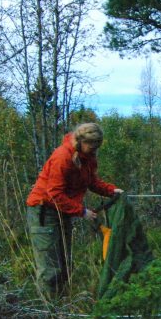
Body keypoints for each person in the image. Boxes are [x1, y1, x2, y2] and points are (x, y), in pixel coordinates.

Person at [26, 123, 122, 294]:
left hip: (63, 212)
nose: (94, 150)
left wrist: (111, 191)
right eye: (92, 146)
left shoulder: (88, 158)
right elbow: (54, 193)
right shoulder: (62, 157)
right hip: (44, 211)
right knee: (50, 270)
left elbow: (91, 181)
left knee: (64, 265)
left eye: (97, 146)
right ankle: (48, 315)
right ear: (81, 141)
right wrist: (82, 211)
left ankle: (61, 309)